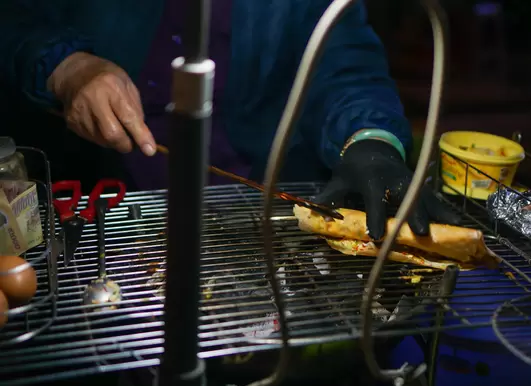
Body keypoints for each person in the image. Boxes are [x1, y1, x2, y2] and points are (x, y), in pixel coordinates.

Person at [0, 0, 459, 240]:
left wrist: (369, 138)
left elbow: (344, 60)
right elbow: (15, 16)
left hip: (256, 201)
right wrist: (68, 66)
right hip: (108, 193)